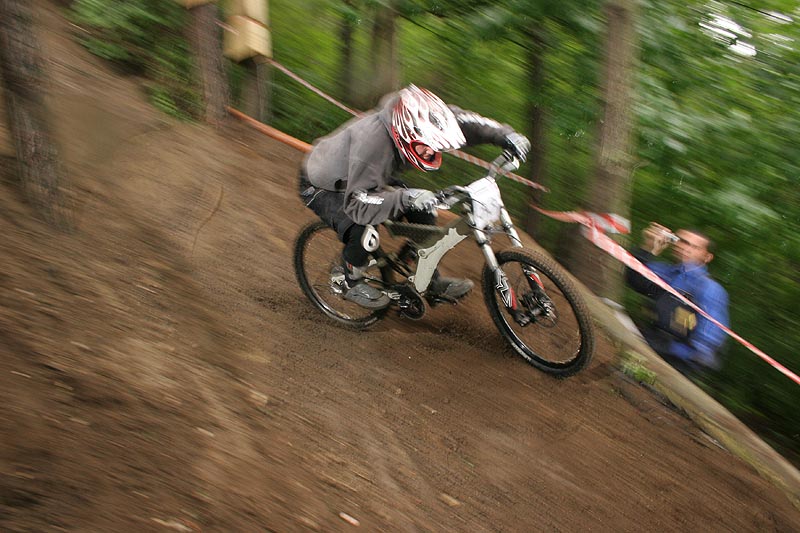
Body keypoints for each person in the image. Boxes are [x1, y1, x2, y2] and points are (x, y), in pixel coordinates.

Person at [298, 84, 530, 309]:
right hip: (325, 185)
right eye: (427, 146)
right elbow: (357, 202)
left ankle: (428, 279)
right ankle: (348, 280)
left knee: (425, 208)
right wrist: (405, 198)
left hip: (371, 176)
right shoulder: (372, 143)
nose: (432, 152)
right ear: (406, 133)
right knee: (363, 228)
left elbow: (466, 123)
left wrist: (506, 135)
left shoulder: (422, 119)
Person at [625, 223, 730, 373]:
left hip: (677, 361)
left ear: (707, 257)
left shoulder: (709, 288)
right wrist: (648, 248)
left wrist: (673, 350)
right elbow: (633, 279)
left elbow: (706, 344)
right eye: (681, 241)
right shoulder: (665, 272)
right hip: (649, 341)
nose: (685, 247)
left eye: (694, 247)